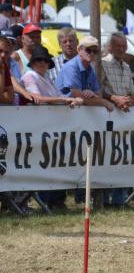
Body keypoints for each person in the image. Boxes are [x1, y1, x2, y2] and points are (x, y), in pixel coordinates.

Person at [22, 45, 83, 210]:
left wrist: (71, 100)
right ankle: (45, 201)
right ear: (33, 62)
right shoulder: (30, 76)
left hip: (54, 128)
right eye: (39, 60)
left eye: (45, 60)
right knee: (44, 164)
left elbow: (57, 96)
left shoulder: (46, 77)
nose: (42, 63)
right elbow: (37, 99)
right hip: (38, 128)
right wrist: (64, 100)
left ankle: (57, 200)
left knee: (57, 162)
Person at [101, 32, 134, 207]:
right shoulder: (103, 63)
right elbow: (98, 90)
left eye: (124, 46)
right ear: (110, 47)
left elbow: (133, 91)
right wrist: (115, 99)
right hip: (106, 115)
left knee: (122, 157)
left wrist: (129, 101)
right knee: (106, 157)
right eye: (118, 46)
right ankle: (103, 199)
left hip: (124, 116)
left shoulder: (126, 66)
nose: (122, 49)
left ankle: (119, 199)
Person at [56, 36, 114, 111]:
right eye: (88, 50)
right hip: (59, 111)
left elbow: (99, 94)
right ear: (79, 50)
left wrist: (92, 94)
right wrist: (104, 102)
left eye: (95, 51)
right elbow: (78, 96)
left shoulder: (91, 69)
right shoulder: (71, 67)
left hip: (74, 112)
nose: (92, 53)